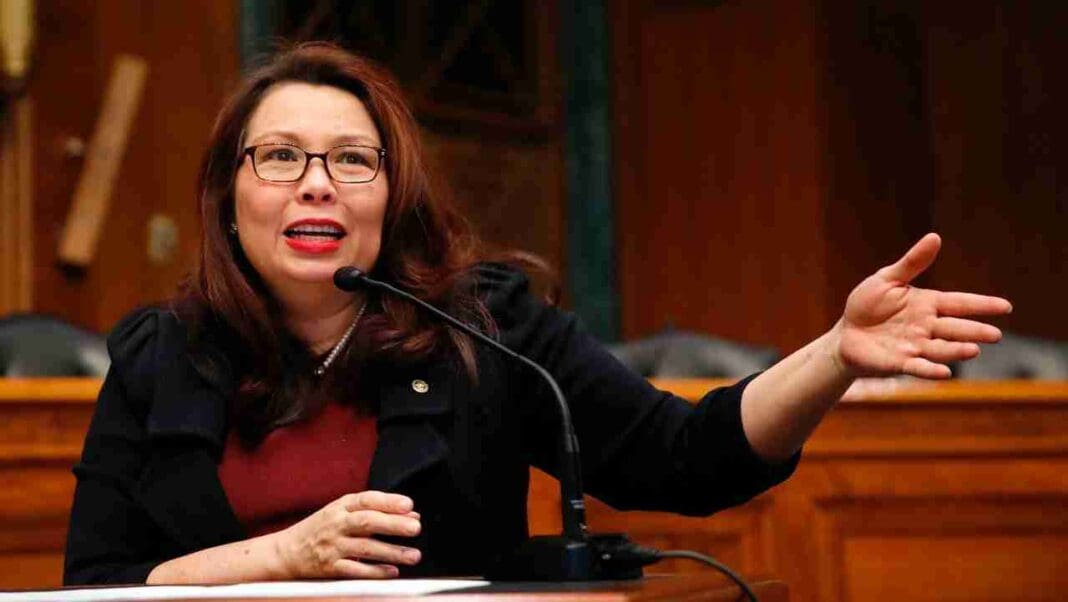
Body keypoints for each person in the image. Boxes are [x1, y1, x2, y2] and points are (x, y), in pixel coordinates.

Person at [63, 42, 1012, 585]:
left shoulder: (486, 330)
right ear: (229, 198)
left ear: (392, 198)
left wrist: (834, 354)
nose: (317, 184)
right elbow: (92, 590)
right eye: (280, 157)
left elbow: (689, 457)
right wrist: (281, 557)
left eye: (353, 160)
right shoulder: (158, 357)